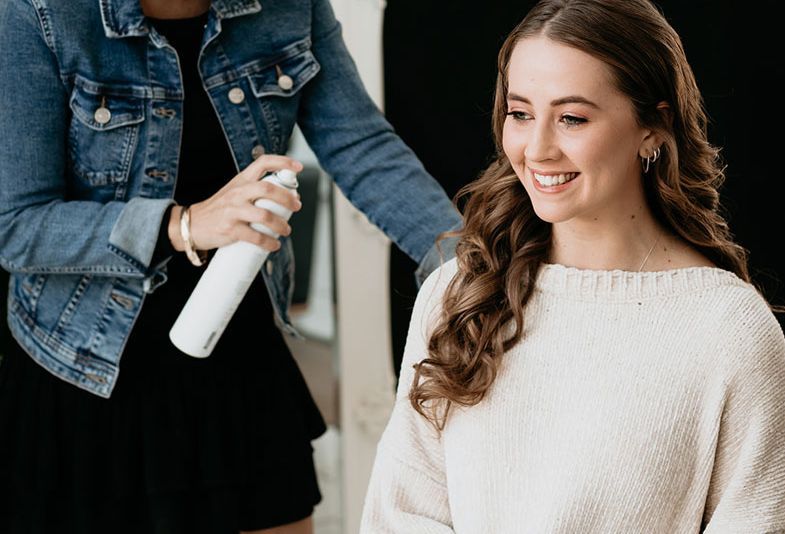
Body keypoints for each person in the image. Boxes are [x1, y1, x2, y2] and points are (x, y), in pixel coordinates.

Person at [0, 0, 461, 533]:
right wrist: (186, 224)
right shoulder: (39, 13)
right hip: (85, 372)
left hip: (238, 352)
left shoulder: (288, 7)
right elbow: (18, 224)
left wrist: (469, 264)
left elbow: (361, 145)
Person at [361, 0, 785, 532]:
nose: (536, 149)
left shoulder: (729, 329)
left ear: (653, 128)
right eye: (520, 113)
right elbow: (402, 514)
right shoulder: (458, 294)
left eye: (571, 118)